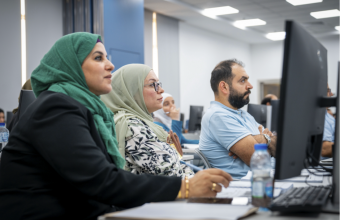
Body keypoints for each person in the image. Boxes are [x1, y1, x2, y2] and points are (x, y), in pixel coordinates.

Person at [0, 33, 232, 220]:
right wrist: (186, 187)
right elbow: (101, 180)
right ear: (70, 66)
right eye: (98, 58)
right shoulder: (56, 107)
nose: (110, 65)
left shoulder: (87, 111)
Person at [102, 64, 197, 177]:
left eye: (158, 84)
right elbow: (172, 174)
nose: (161, 90)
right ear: (133, 92)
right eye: (153, 85)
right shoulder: (131, 125)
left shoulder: (146, 124)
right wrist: (177, 158)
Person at [199, 59, 277, 179]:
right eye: (243, 80)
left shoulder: (244, 115)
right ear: (224, 87)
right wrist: (267, 139)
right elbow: (258, 159)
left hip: (266, 177)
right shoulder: (217, 116)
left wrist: (259, 140)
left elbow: (277, 146)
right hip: (244, 186)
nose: (250, 85)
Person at [321, 85, 335, 158]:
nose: (331, 94)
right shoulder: (320, 117)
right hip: (320, 168)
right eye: (328, 91)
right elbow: (324, 149)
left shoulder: (329, 118)